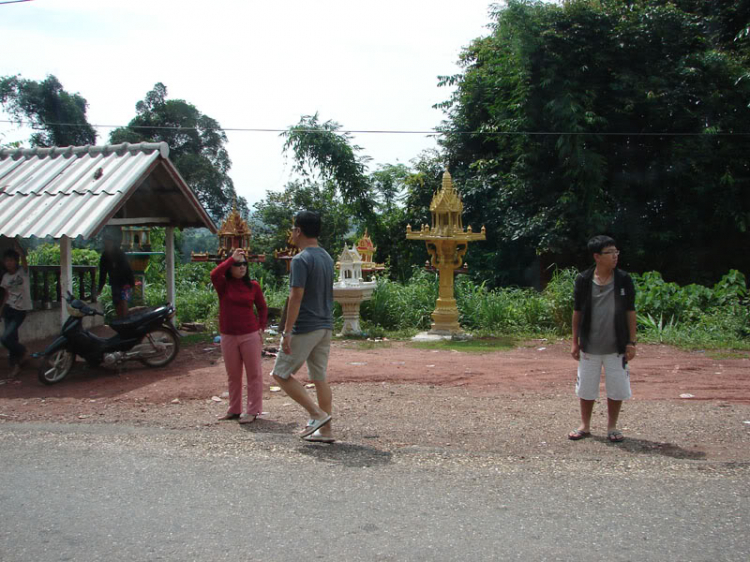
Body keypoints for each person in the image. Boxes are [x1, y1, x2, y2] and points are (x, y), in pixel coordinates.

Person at [271, 211, 335, 443]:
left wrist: (287, 331)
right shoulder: (326, 257)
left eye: (292, 229)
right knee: (319, 377)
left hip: (306, 326)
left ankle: (316, 415)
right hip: (325, 325)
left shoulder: (300, 260)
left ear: (298, 230)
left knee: (280, 373)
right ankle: (326, 431)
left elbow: (296, 296)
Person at [569, 235, 637, 443]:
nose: (615, 256)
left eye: (617, 252)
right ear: (597, 256)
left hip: (616, 345)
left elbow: (630, 311)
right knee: (586, 387)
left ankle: (612, 427)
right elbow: (577, 312)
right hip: (590, 344)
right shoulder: (583, 280)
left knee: (616, 387)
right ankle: (585, 425)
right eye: (610, 253)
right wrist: (574, 341)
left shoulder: (623, 279)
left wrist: (631, 342)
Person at [211, 248, 268, 424]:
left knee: (254, 374)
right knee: (233, 375)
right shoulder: (224, 285)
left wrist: (261, 327)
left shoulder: (253, 286)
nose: (242, 267)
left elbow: (262, 307)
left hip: (250, 334)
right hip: (228, 335)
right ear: (230, 267)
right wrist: (230, 259)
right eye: (237, 264)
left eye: (244, 263)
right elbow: (214, 274)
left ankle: (253, 410)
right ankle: (234, 410)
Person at [1, 242, 32, 379]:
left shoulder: (22, 272)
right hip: (9, 308)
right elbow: (6, 295)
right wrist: (0, 309)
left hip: (21, 309)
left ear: (16, 261)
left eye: (11, 260)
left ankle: (24, 352)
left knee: (6, 337)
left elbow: (25, 262)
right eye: (6, 261)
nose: (9, 263)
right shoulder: (5, 278)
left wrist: (20, 251)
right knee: (11, 338)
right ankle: (16, 365)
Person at [98, 229, 135, 318]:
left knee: (123, 302)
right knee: (117, 303)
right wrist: (99, 289)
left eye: (107, 242)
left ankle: (126, 321)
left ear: (111, 242)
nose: (106, 244)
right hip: (115, 283)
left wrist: (131, 283)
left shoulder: (119, 253)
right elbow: (102, 273)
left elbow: (128, 269)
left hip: (125, 282)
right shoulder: (104, 256)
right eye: (105, 242)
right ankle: (121, 321)